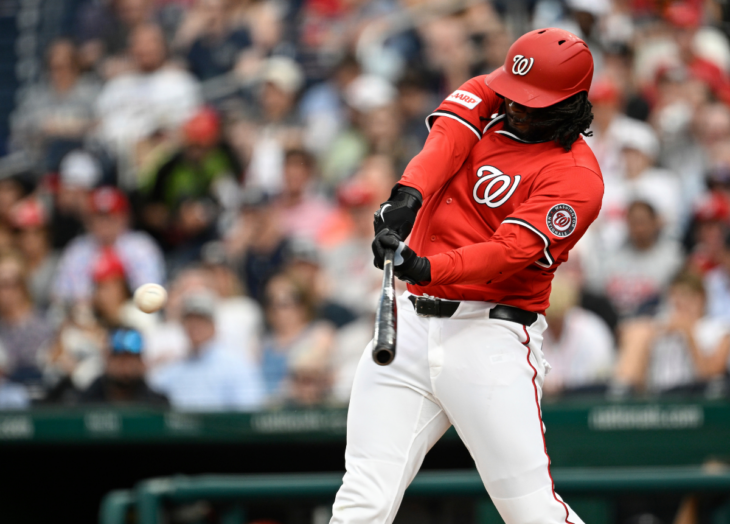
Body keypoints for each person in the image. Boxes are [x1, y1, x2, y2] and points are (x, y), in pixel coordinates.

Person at [332, 29, 602, 524]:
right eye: (513, 93)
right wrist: (407, 196)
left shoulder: (577, 177)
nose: (515, 105)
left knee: (531, 512)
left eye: (531, 101)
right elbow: (445, 142)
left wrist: (425, 267)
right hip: (410, 326)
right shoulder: (492, 93)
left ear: (569, 106)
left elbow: (507, 253)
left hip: (489, 335)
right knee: (363, 499)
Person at [613, 271, 730, 394]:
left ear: (702, 298)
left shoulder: (719, 329)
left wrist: (689, 334)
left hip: (696, 395)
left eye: (687, 297)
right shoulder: (661, 327)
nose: (682, 304)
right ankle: (620, 396)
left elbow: (711, 375)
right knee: (638, 332)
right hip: (658, 394)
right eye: (676, 299)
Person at [148, 291, 265, 411]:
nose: (195, 326)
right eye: (190, 320)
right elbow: (152, 394)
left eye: (201, 320)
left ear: (213, 325)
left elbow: (249, 409)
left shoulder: (236, 365)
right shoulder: (175, 367)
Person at [52, 186, 165, 304]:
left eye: (111, 217)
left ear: (125, 218)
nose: (104, 224)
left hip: (132, 309)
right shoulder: (78, 249)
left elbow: (152, 292)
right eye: (99, 217)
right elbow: (60, 293)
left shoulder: (141, 247)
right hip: (84, 310)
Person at [80, 328, 169, 405]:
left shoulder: (157, 404)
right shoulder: (85, 402)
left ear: (141, 362)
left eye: (131, 358)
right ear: (107, 359)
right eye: (119, 357)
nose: (125, 366)